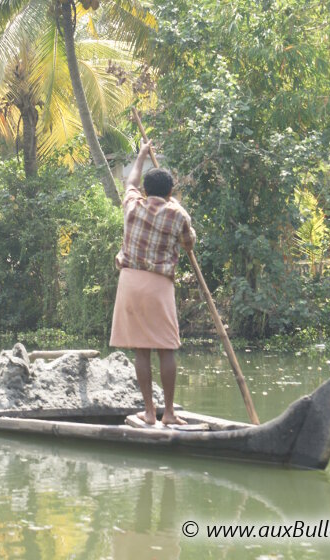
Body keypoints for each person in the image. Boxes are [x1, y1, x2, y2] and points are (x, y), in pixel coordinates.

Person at [109, 140, 196, 426]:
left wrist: (142, 154)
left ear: (146, 192)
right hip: (159, 285)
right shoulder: (178, 214)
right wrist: (176, 209)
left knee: (141, 349)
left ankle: (149, 411)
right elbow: (189, 245)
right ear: (170, 192)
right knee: (166, 348)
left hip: (131, 282)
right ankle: (168, 412)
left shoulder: (133, 205)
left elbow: (131, 181)